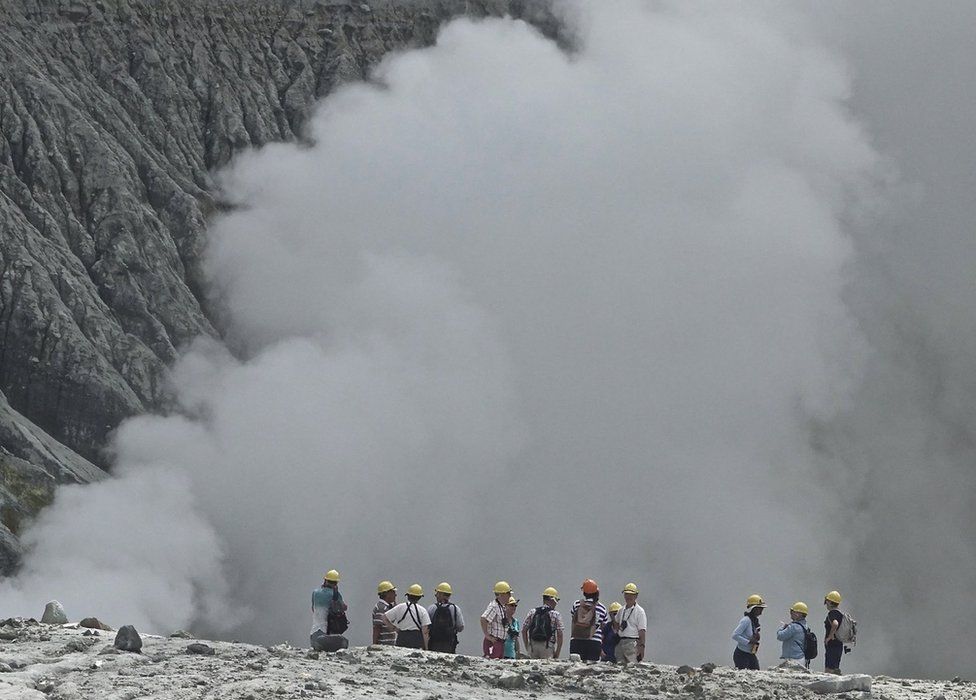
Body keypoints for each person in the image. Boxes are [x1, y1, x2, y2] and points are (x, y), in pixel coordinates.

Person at [569, 579, 609, 662]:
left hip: (576, 640)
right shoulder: (602, 608)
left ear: (584, 592)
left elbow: (574, 619)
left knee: (575, 667)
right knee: (592, 671)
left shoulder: (577, 604)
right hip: (594, 642)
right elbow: (603, 628)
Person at [310, 569, 349, 651]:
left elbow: (313, 609)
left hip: (314, 635)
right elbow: (343, 608)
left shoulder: (315, 593)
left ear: (325, 580)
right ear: (336, 583)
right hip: (328, 634)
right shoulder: (336, 595)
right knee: (344, 642)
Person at [384, 583, 431, 650]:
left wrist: (394, 628)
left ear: (408, 596)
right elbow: (425, 631)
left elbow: (384, 618)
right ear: (419, 597)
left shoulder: (400, 607)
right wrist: (426, 647)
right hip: (416, 640)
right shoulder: (422, 610)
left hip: (402, 637)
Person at [522, 587, 565, 659]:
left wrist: (527, 646)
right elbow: (560, 634)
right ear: (552, 599)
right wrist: (557, 652)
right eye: (557, 600)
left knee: (531, 669)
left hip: (533, 646)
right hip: (547, 647)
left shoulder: (533, 611)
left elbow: (524, 630)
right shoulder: (556, 614)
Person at [427, 582, 464, 653]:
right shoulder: (456, 609)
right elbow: (460, 627)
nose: (436, 595)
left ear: (442, 594)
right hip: (449, 642)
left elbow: (426, 626)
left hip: (434, 642)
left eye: (437, 593)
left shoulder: (432, 608)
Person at [614, 583, 647, 663]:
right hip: (621, 642)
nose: (628, 597)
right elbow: (616, 623)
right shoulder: (621, 610)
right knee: (619, 666)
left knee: (632, 666)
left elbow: (642, 630)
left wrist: (641, 647)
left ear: (636, 596)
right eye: (627, 594)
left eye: (631, 594)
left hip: (632, 642)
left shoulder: (640, 611)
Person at [731, 594, 765, 670]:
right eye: (760, 608)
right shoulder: (746, 620)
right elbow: (735, 635)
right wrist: (749, 641)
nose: (761, 611)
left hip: (750, 654)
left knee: (756, 672)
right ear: (753, 609)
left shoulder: (754, 621)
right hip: (741, 655)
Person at [481, 581, 513, 658]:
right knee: (493, 662)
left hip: (500, 642)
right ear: (501, 595)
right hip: (494, 642)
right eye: (508, 594)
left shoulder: (502, 606)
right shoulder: (494, 607)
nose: (510, 596)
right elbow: (483, 619)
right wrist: (488, 636)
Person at [824, 590, 844, 674]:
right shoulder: (840, 613)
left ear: (830, 602)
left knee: (829, 669)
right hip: (839, 643)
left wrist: (830, 636)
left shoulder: (832, 613)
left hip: (832, 644)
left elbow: (835, 624)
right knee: (835, 666)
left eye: (827, 601)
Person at [372, 580, 398, 646]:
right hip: (383, 644)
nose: (395, 595)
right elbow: (377, 627)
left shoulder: (387, 607)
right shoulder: (381, 608)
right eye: (393, 592)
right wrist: (374, 645)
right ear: (386, 594)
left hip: (388, 644)